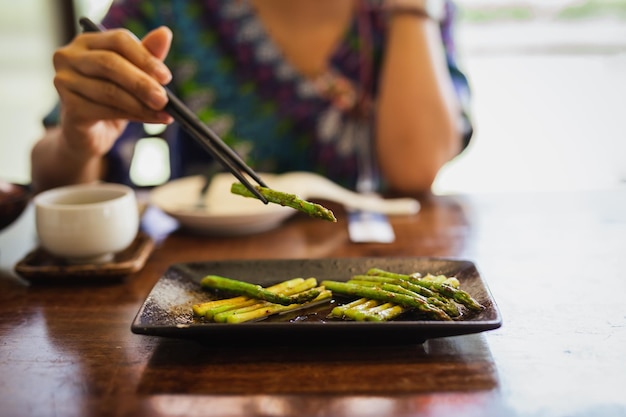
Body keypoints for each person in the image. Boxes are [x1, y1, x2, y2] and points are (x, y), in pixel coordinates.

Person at [31, 0, 473, 196]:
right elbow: (53, 178)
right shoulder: (169, 6)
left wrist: (413, 9)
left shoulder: (406, 8)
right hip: (198, 287)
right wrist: (77, 139)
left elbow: (416, 169)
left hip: (367, 286)